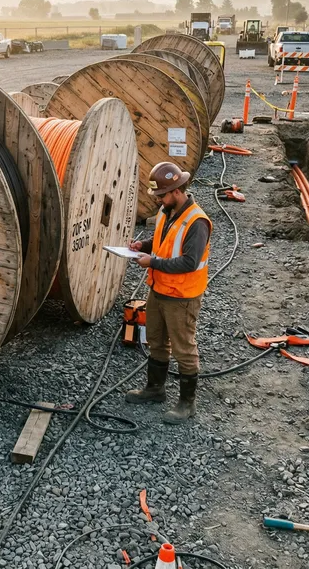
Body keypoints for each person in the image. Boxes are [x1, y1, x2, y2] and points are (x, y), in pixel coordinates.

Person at [124, 161, 212, 424]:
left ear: (176, 190)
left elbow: (189, 262)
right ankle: (155, 389)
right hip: (160, 289)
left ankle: (187, 404)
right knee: (156, 340)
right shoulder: (167, 211)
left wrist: (153, 262)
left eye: (161, 195)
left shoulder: (197, 222)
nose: (158, 200)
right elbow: (163, 241)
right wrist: (144, 245)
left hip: (182, 297)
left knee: (184, 349)